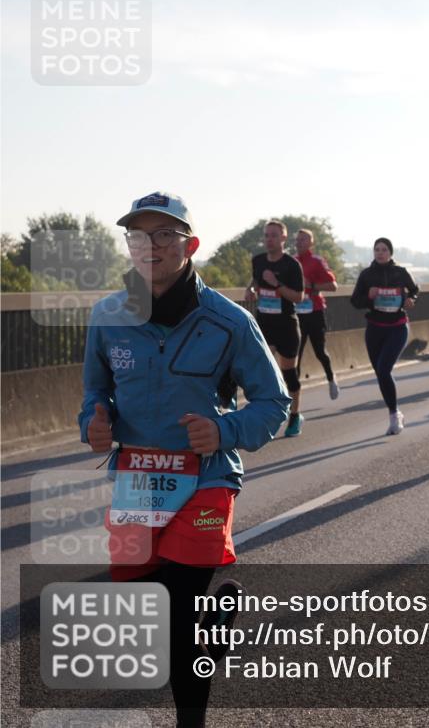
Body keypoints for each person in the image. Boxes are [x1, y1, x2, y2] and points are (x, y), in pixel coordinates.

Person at [81, 191, 290, 728]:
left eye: (164, 235)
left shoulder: (229, 321)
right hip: (139, 481)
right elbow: (95, 393)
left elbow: (274, 403)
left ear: (190, 245)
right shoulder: (108, 316)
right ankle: (213, 626)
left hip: (205, 480)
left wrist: (223, 430)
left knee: (176, 618)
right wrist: (94, 423)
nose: (150, 246)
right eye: (138, 236)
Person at [349, 238, 419, 435]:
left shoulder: (400, 272)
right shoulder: (367, 275)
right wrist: (368, 297)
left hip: (397, 327)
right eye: (377, 249)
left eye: (384, 249)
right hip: (375, 328)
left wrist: (411, 299)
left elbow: (415, 290)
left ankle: (394, 415)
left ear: (390, 253)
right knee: (380, 374)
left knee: (384, 369)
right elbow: (355, 301)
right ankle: (395, 411)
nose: (380, 253)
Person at [245, 220, 306, 436]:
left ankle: (295, 415)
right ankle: (265, 413)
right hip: (264, 324)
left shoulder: (292, 265)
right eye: (266, 235)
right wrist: (251, 289)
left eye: (274, 235)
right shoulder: (258, 260)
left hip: (287, 325)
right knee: (264, 370)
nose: (269, 239)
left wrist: (277, 284)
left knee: (289, 374)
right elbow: (255, 281)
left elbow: (298, 297)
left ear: (283, 239)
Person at [293, 228, 341, 399]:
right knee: (295, 354)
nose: (299, 243)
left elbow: (333, 286)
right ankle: (293, 394)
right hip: (296, 313)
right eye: (297, 240)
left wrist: (312, 285)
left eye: (303, 240)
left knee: (319, 351)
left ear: (311, 243)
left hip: (314, 312)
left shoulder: (317, 261)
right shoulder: (291, 261)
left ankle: (331, 378)